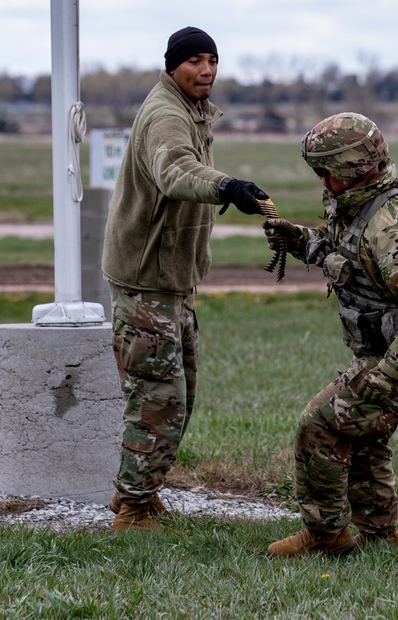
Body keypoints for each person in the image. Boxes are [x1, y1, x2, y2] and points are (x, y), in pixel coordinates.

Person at [263, 112, 398, 556]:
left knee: (320, 424)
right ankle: (378, 536)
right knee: (362, 432)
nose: (320, 180)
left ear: (352, 166)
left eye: (325, 171)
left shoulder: (396, 223)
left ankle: (325, 536)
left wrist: (387, 376)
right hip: (387, 350)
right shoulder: (358, 205)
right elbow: (348, 259)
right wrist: (299, 240)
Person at [101, 26, 271, 532]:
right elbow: (175, 170)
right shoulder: (167, 115)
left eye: (213, 60)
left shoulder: (193, 111)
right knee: (158, 396)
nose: (207, 70)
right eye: (195, 60)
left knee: (179, 392)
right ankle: (131, 508)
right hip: (146, 280)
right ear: (173, 65)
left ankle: (144, 493)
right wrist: (228, 186)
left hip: (171, 281)